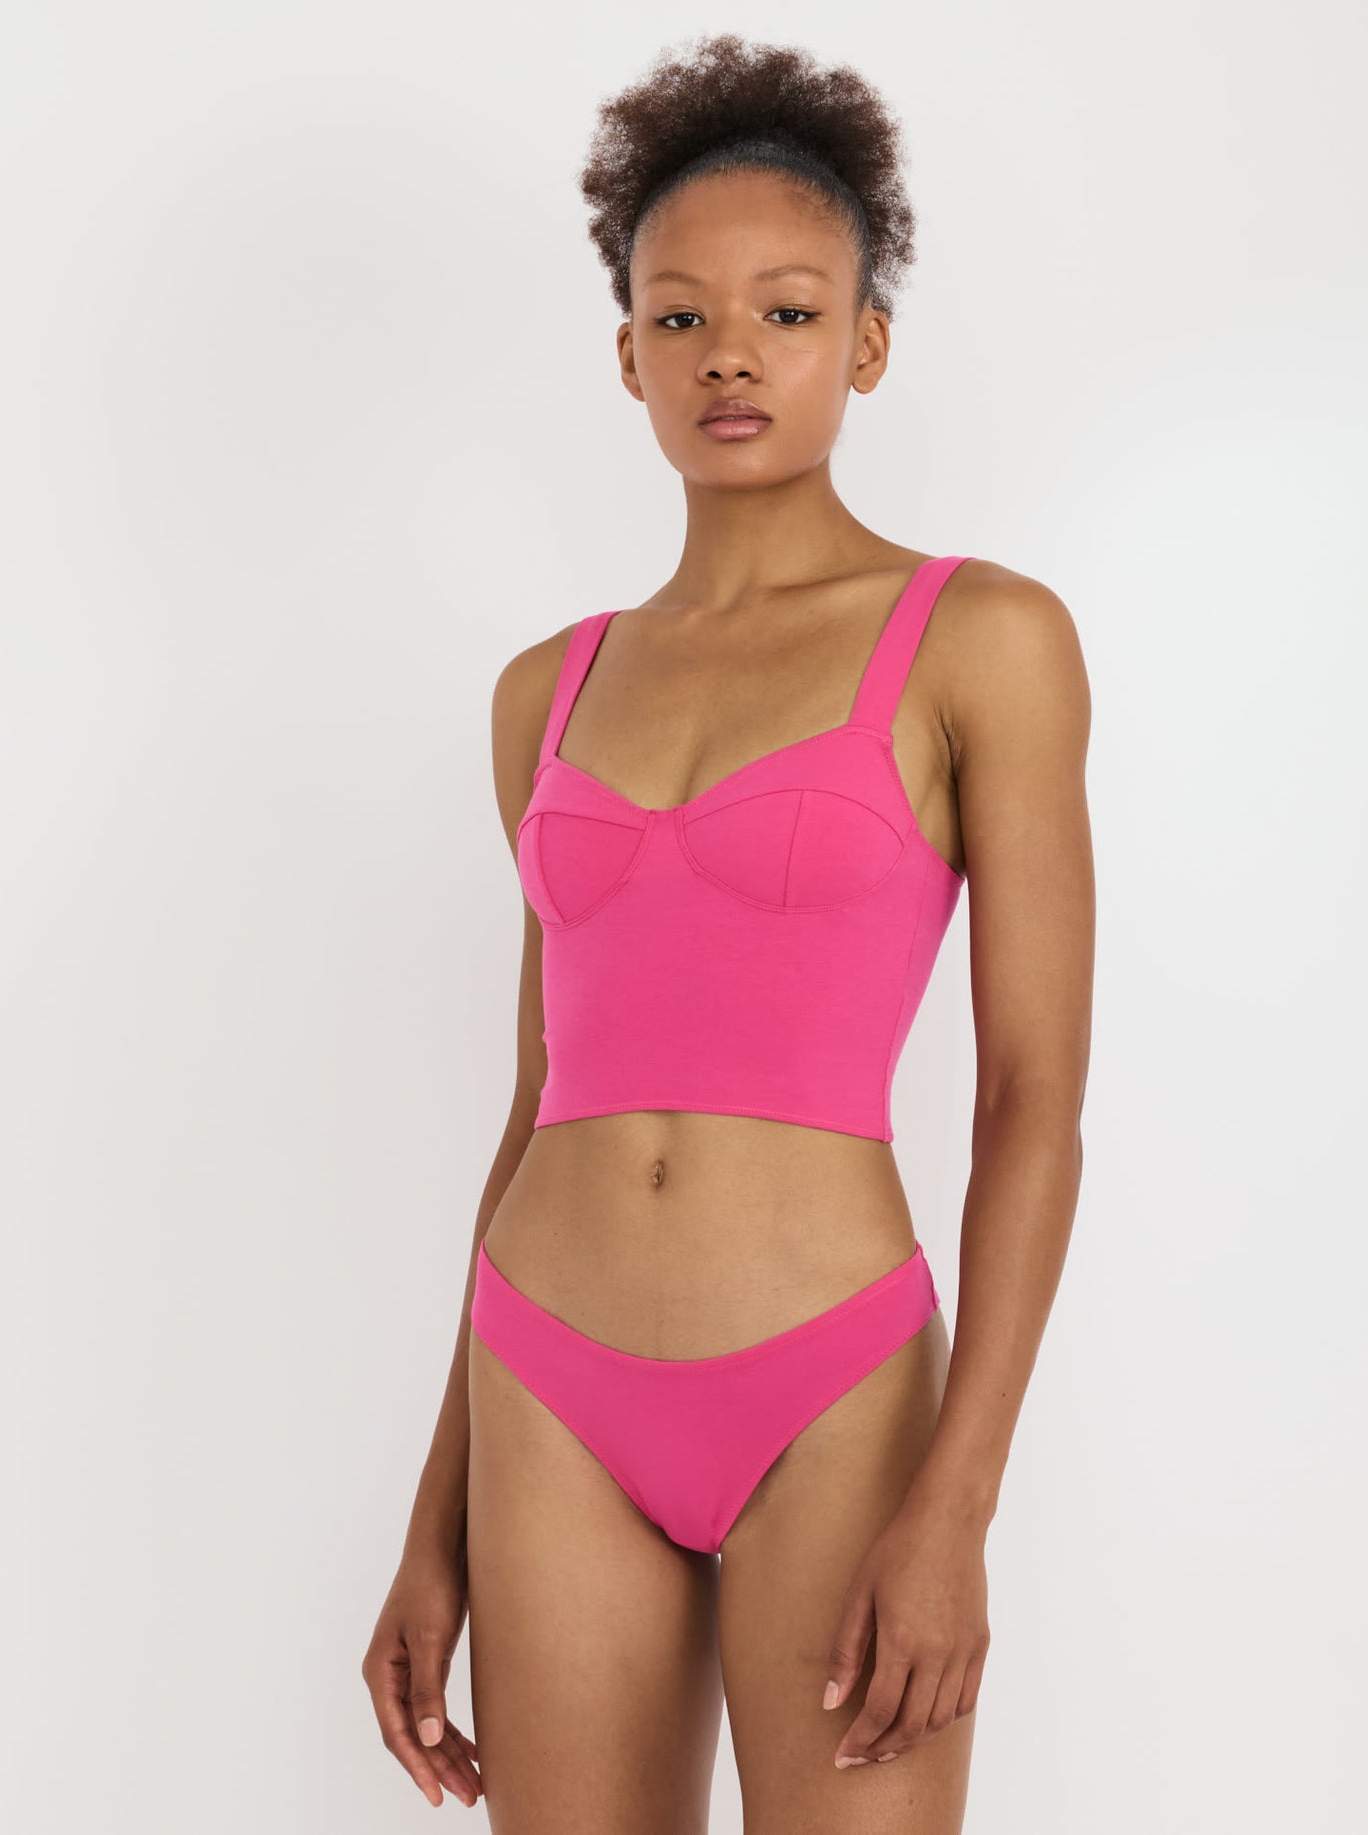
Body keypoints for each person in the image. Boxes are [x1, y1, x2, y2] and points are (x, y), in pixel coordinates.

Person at [364, 32, 1092, 1831]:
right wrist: (433, 1516)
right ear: (626, 355)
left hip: (830, 1385)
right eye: (678, 317)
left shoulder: (981, 638)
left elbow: (1032, 1103)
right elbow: (536, 1105)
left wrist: (958, 1504)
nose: (729, 355)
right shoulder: (546, 689)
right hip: (545, 1374)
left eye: (786, 312)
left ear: (866, 343)